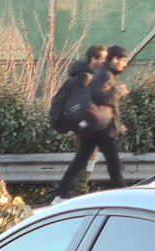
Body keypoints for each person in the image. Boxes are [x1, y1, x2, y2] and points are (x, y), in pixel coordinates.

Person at [55, 45, 130, 201]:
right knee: (113, 164)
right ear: (114, 60)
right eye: (123, 60)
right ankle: (123, 196)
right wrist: (118, 93)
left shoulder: (101, 74)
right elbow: (100, 98)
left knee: (81, 161)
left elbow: (105, 104)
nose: (125, 64)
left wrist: (117, 124)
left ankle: (61, 194)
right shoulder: (105, 75)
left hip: (96, 127)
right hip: (100, 129)